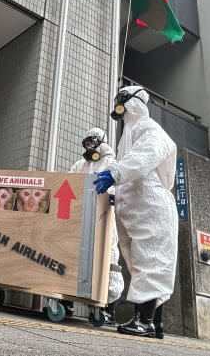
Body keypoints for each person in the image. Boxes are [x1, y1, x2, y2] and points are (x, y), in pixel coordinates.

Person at [94, 86, 177, 338]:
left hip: (152, 207)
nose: (119, 105)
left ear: (133, 102)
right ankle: (154, 324)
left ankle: (145, 322)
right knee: (142, 264)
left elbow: (145, 157)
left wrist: (114, 173)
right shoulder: (128, 133)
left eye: (122, 100)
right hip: (138, 209)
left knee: (151, 261)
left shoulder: (149, 129)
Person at [70, 127, 124, 325]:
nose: (90, 146)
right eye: (87, 142)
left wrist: (110, 193)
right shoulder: (80, 164)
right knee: (76, 255)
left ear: (102, 141)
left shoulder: (111, 162)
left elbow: (117, 185)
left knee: (107, 255)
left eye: (94, 141)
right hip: (81, 217)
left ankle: (108, 306)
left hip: (103, 217)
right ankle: (68, 299)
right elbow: (69, 180)